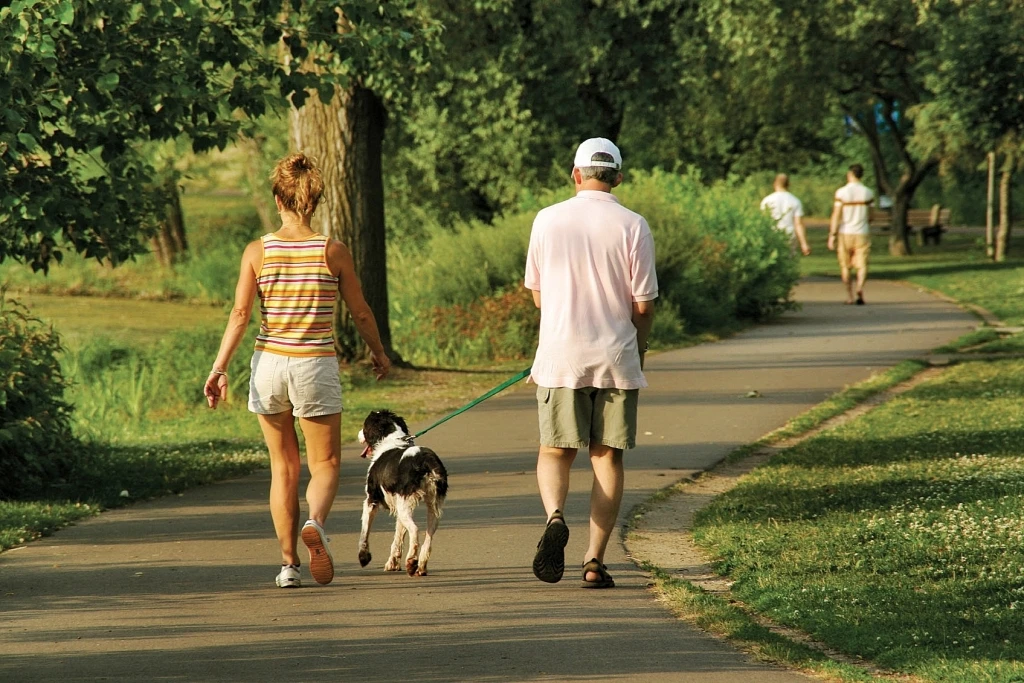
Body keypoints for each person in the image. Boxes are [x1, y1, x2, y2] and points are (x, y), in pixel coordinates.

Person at [203, 153, 391, 589]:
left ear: (277, 197)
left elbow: (238, 313)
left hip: (268, 363)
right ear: (316, 200)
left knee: (283, 467)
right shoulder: (333, 251)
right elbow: (361, 313)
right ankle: (317, 524)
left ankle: (288, 565)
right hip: (314, 365)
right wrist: (378, 353)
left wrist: (219, 367)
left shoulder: (258, 251)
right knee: (323, 462)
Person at [524, 138, 658, 589]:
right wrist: (639, 350)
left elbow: (539, 295)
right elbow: (643, 305)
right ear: (618, 176)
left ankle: (555, 515)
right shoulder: (634, 225)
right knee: (606, 457)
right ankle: (594, 561)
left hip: (561, 355)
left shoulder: (547, 220)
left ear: (576, 174)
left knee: (554, 450)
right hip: (616, 356)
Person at [827, 163, 875, 305]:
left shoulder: (841, 192)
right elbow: (872, 215)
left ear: (850, 174)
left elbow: (836, 215)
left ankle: (849, 296)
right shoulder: (868, 192)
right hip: (862, 231)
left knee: (845, 265)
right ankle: (860, 288)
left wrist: (832, 234)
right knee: (862, 264)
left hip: (845, 231)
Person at [760, 173, 811, 256]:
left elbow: (763, 221)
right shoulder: (795, 201)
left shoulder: (767, 201)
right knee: (789, 259)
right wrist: (804, 243)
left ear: (775, 184)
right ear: (788, 184)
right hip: (789, 234)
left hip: (772, 233)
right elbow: (798, 224)